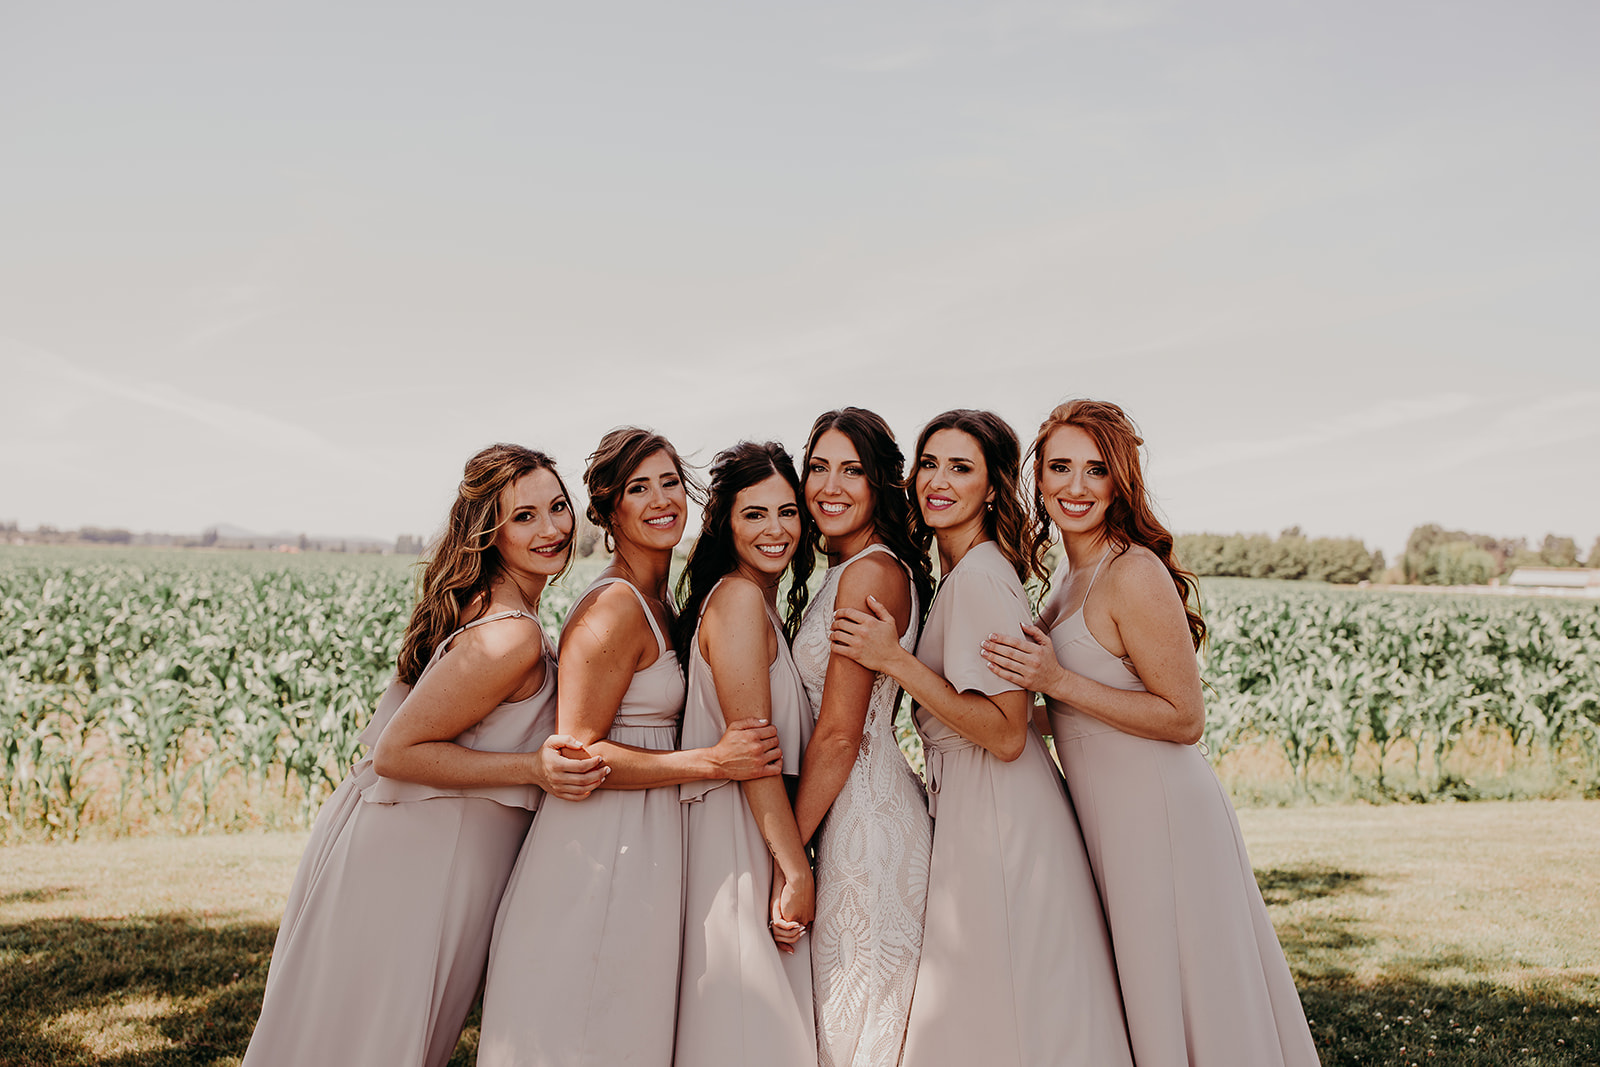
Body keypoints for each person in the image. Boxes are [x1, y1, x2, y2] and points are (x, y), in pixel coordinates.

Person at [243, 443, 610, 1067]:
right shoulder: (510, 633)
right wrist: (533, 769)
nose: (550, 529)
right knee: (381, 1040)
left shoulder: (502, 609)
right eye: (524, 516)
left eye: (557, 507)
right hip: (424, 861)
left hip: (427, 847)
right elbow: (397, 751)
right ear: (489, 530)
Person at [981, 399, 1321, 1067]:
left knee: (1198, 994)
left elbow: (1184, 717)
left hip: (1162, 816)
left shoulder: (1132, 571)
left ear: (1119, 481)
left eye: (1095, 470)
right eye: (1059, 468)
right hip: (1109, 818)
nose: (1074, 487)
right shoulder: (1067, 580)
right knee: (1145, 995)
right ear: (1038, 479)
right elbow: (1080, 713)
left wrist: (1056, 681)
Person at [830, 408, 1134, 1066]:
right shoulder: (967, 573)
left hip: (1004, 817)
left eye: (961, 467)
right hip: (984, 807)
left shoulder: (980, 579)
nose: (938, 479)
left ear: (993, 487)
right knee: (1008, 1005)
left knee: (1013, 1007)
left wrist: (897, 662)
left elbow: (1005, 731)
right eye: (930, 463)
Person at [477, 427, 784, 1067]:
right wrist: (712, 761)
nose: (659, 500)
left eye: (670, 482)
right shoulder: (612, 608)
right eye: (638, 488)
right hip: (596, 856)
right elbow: (576, 753)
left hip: (641, 843)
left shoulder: (659, 601)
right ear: (608, 510)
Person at [790, 407, 935, 1067]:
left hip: (863, 822)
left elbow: (840, 735)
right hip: (849, 806)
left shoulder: (871, 574)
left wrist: (785, 851)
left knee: (861, 1018)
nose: (830, 485)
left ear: (880, 482)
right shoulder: (845, 567)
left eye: (851, 469)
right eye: (818, 467)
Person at [673, 441, 819, 1067]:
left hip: (754, 830)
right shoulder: (735, 601)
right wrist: (796, 870)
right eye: (754, 514)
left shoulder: (755, 602)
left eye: (787, 512)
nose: (775, 529)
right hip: (740, 839)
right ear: (725, 522)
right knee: (748, 1028)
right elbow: (754, 749)